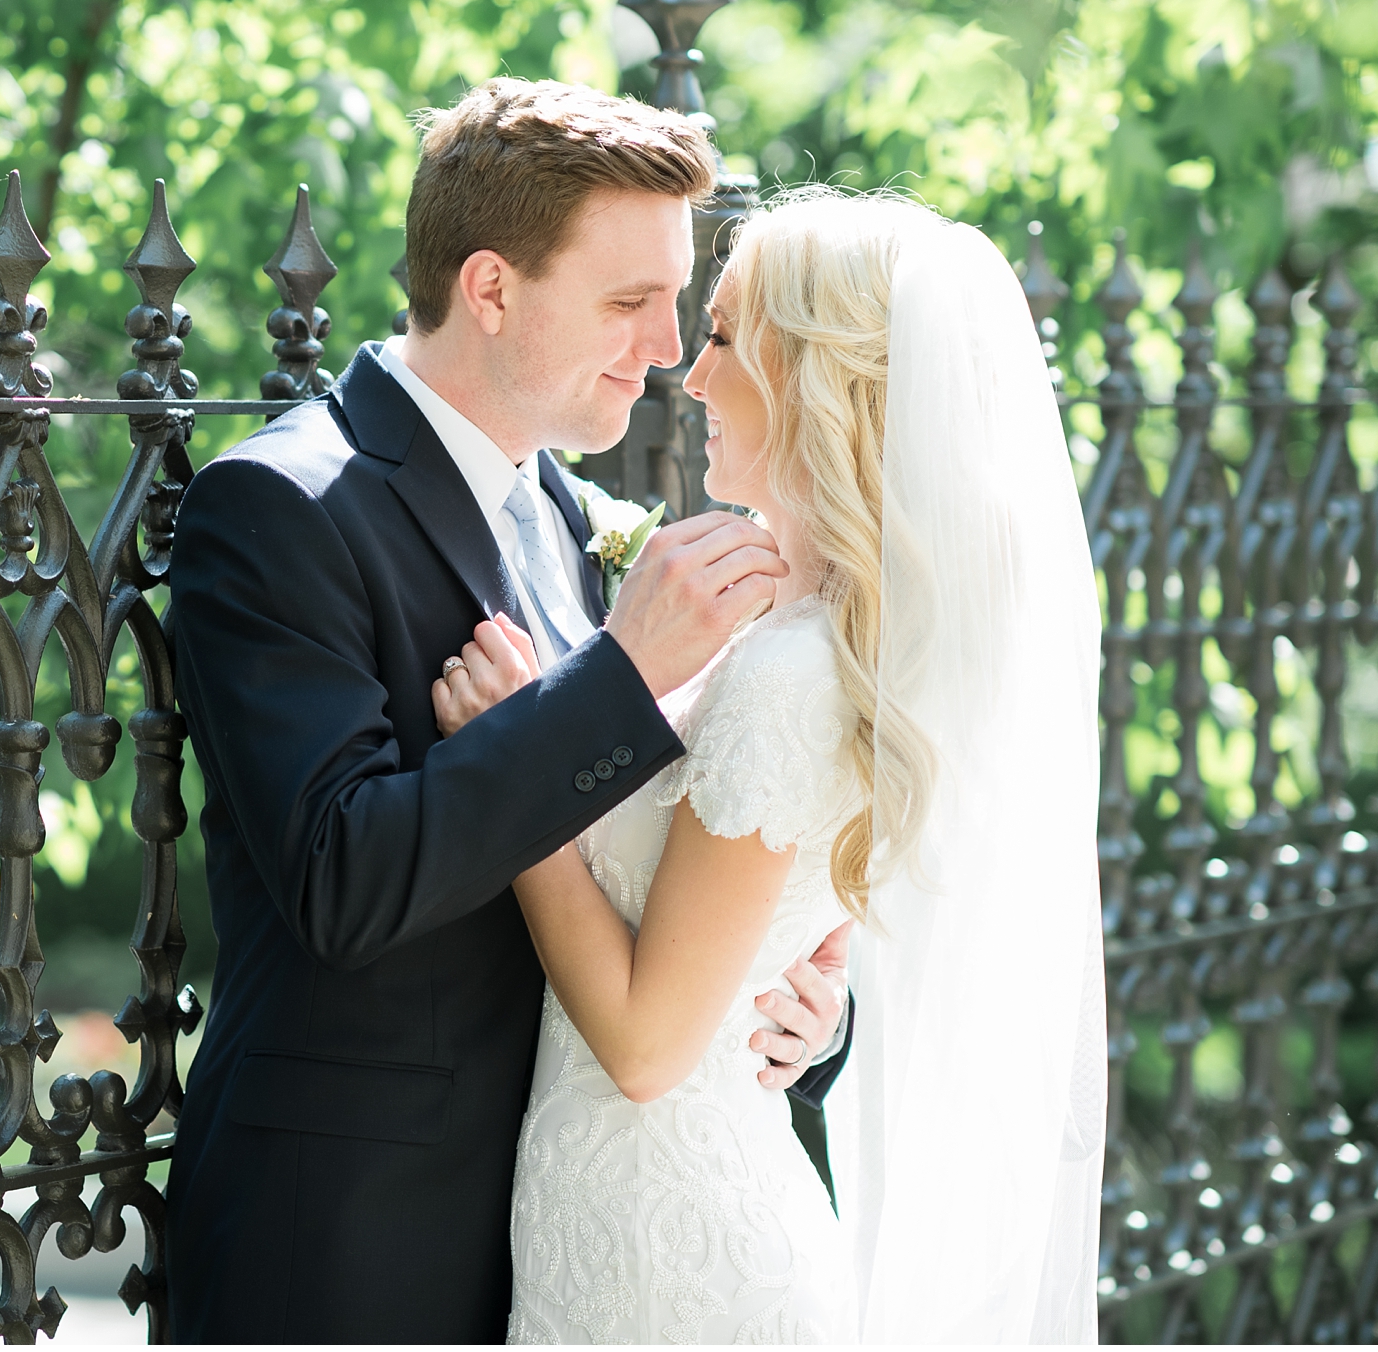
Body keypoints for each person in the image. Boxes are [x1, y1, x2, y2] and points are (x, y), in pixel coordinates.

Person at [164, 79, 855, 1344]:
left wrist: (797, 1014)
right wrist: (622, 676)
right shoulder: (279, 508)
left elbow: (627, 849)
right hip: (352, 1250)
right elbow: (342, 882)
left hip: (570, 1242)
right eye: (627, 302)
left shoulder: (552, 507)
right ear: (490, 289)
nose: (663, 351)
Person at [461, 187, 1105, 1342]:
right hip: (642, 1214)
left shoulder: (794, 674)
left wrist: (517, 773)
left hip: (672, 1253)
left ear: (814, 374)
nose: (690, 377)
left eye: (721, 338)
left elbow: (651, 1046)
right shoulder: (794, 634)